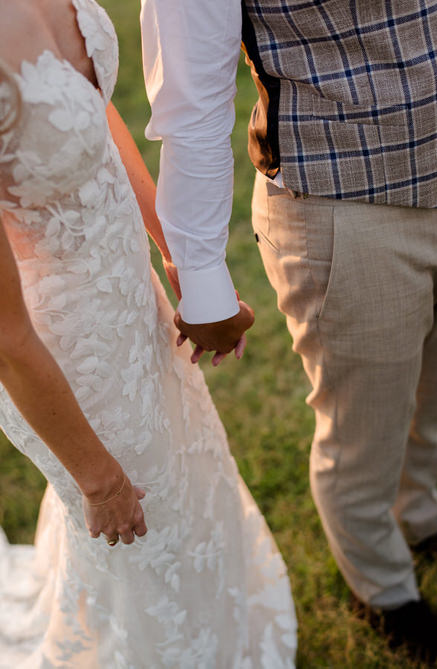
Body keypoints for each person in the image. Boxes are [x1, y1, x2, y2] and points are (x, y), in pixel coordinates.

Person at [140, 0, 437, 660]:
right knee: (363, 427)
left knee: (431, 396)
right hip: (344, 201)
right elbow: (195, 102)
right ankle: (386, 589)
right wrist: (203, 283)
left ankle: (420, 514)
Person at [0, 1, 296, 665]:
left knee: (190, 484)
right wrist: (97, 478)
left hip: (132, 299)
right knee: (140, 532)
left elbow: (95, 118)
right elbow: (6, 338)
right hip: (63, 354)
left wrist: (172, 253)